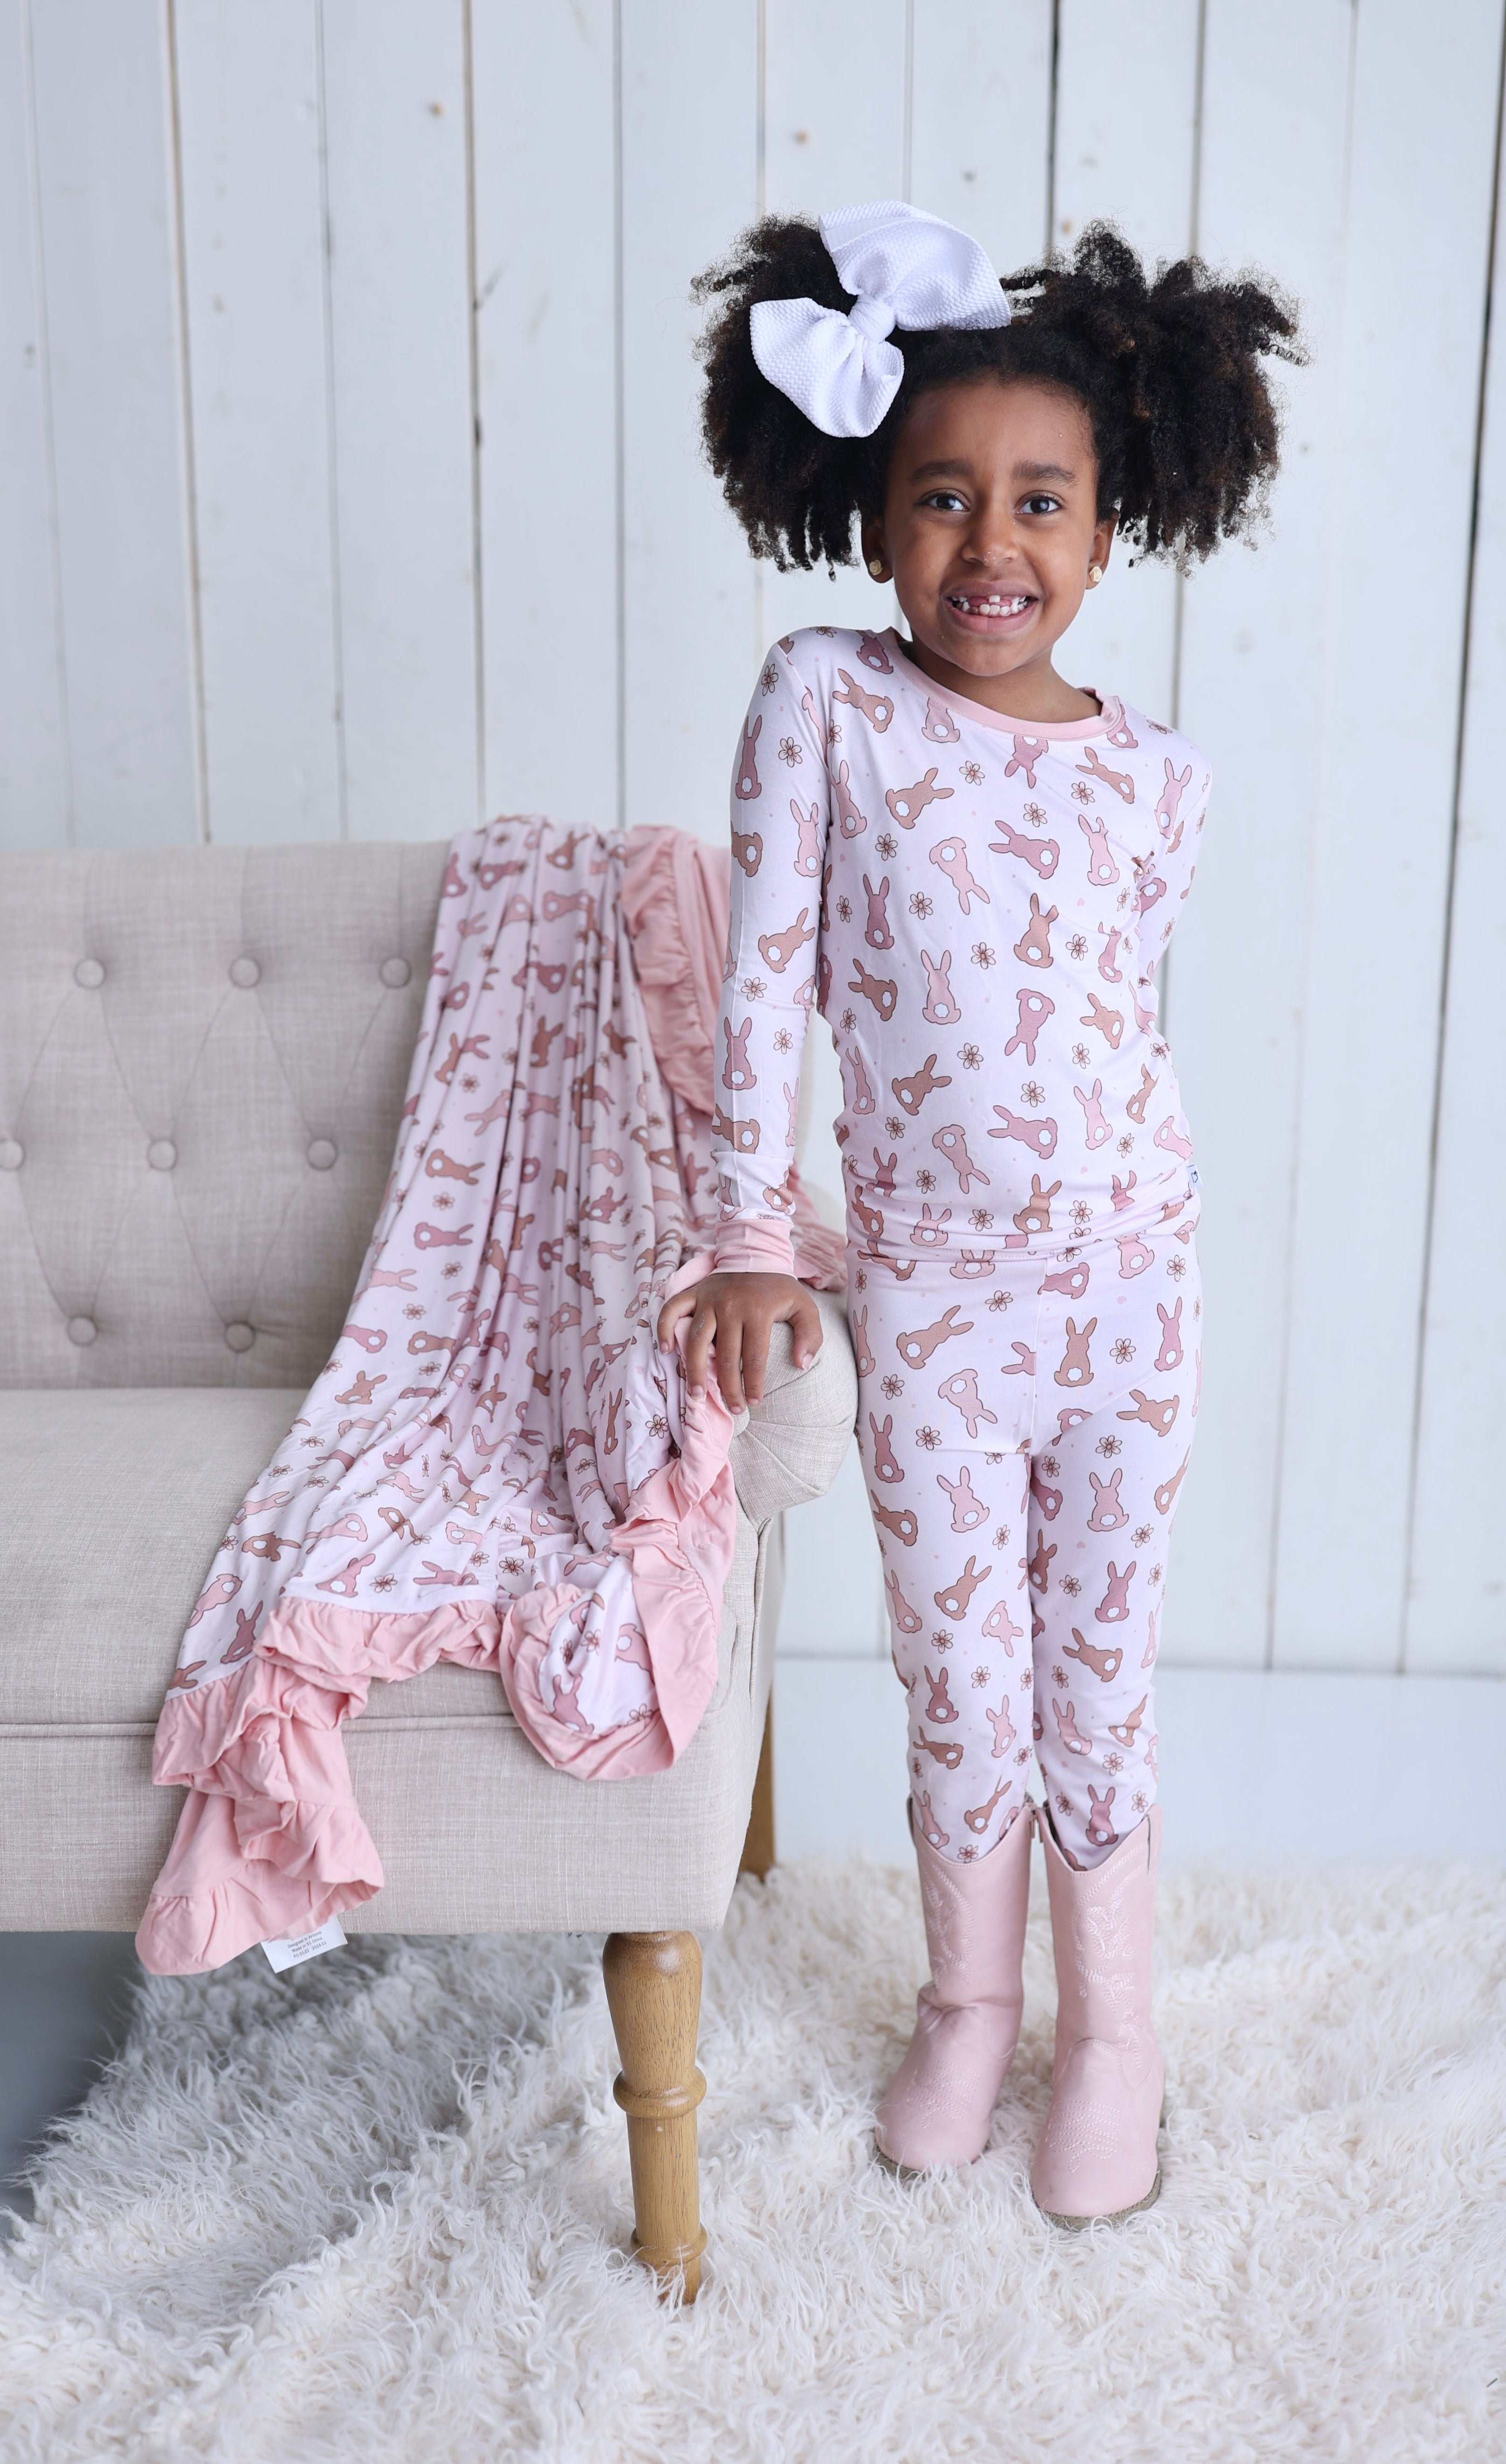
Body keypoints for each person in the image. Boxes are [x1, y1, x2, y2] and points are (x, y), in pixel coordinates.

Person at [659, 202, 1297, 2225]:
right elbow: (764, 984)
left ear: (1115, 527)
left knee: (1099, 1673)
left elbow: (1103, 1027)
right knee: (963, 1675)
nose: (990, 544)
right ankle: (969, 2000)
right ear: (870, 518)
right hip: (933, 1307)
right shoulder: (827, 705)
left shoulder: (1159, 778)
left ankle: (1112, 2036)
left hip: (1134, 1292)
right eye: (943, 497)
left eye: (1042, 502)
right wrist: (749, 1234)